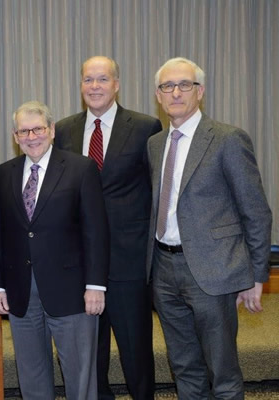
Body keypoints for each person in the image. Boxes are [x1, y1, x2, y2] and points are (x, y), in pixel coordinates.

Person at [147, 57, 272, 399]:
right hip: (164, 270)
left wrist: (256, 276)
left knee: (223, 371)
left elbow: (256, 212)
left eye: (184, 85)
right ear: (158, 96)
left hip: (214, 272)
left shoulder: (228, 139)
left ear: (199, 91)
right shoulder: (155, 144)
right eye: (167, 86)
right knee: (184, 366)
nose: (175, 93)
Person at [0, 101, 110, 400]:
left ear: (52, 130)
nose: (32, 136)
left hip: (72, 291)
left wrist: (96, 285)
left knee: (80, 375)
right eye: (23, 131)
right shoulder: (3, 174)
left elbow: (95, 231)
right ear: (15, 136)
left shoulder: (81, 168)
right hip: (19, 291)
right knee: (31, 373)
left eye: (38, 129)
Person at [55, 56, 161, 399]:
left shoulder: (146, 127)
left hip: (127, 261)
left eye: (102, 79)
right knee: (89, 352)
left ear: (116, 84)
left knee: (136, 351)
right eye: (88, 80)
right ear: (81, 85)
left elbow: (157, 190)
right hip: (80, 261)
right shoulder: (65, 129)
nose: (95, 86)